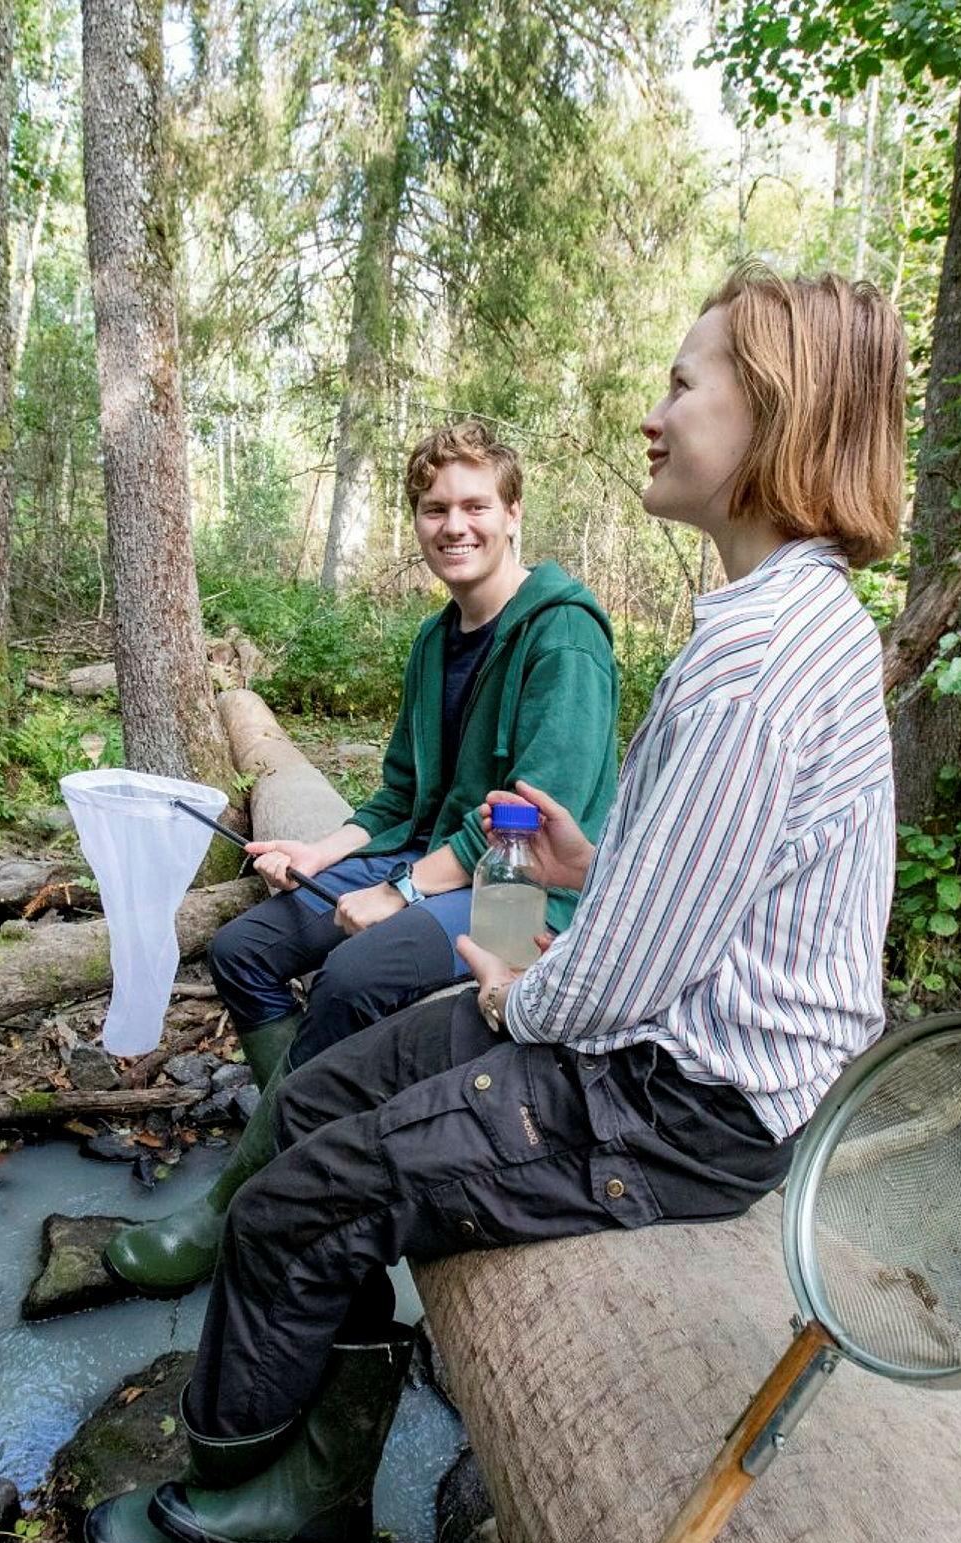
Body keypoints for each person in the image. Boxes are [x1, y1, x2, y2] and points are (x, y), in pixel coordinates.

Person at [83, 263, 907, 1543]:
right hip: (623, 993)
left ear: (776, 414)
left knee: (317, 1145)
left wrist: (492, 964)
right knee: (303, 1067)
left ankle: (246, 1480)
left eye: (682, 386)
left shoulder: (710, 658)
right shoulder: (737, 627)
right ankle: (298, 1420)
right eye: (436, 509)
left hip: (674, 1089)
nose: (652, 413)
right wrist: (577, 868)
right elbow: (659, 860)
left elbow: (565, 911)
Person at [102, 420, 622, 1295]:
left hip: (524, 889)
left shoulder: (562, 639)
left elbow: (532, 823)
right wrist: (319, 849)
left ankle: (237, 1203)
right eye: (434, 508)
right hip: (433, 854)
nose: (454, 525)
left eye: (475, 505)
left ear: (513, 513)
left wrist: (402, 892)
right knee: (246, 949)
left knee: (353, 975)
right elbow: (398, 798)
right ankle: (302, 1147)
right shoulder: (434, 641)